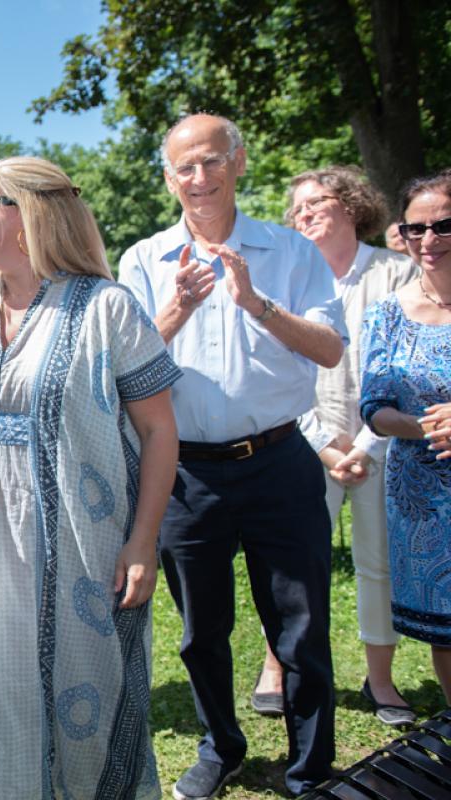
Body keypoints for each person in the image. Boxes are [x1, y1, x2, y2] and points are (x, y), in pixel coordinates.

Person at [0, 157, 180, 799]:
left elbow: (159, 432)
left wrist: (143, 540)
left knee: (89, 707)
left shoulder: (107, 309)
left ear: (28, 214)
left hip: (84, 551)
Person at [118, 114, 346, 799]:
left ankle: (311, 770)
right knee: (200, 632)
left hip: (281, 462)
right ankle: (222, 746)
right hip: (185, 473)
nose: (199, 178)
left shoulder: (288, 251)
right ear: (168, 178)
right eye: (184, 167)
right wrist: (175, 314)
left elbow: (331, 349)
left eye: (212, 161)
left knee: (302, 626)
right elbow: (121, 371)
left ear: (239, 162)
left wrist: (256, 303)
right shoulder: (143, 261)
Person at [250, 166, 418, 727]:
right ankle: (276, 667)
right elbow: (273, 373)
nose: (303, 214)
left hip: (384, 446)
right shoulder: (288, 277)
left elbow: (405, 366)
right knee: (291, 565)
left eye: (316, 202)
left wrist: (367, 445)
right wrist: (324, 443)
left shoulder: (398, 271)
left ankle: (381, 680)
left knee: (377, 565)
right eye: (295, 209)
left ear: (352, 205)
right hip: (304, 442)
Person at [360, 169, 451, 707]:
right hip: (424, 495)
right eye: (415, 229)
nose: (429, 240)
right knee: (448, 627)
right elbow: (374, 407)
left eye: (443, 225)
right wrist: (431, 427)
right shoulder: (388, 312)